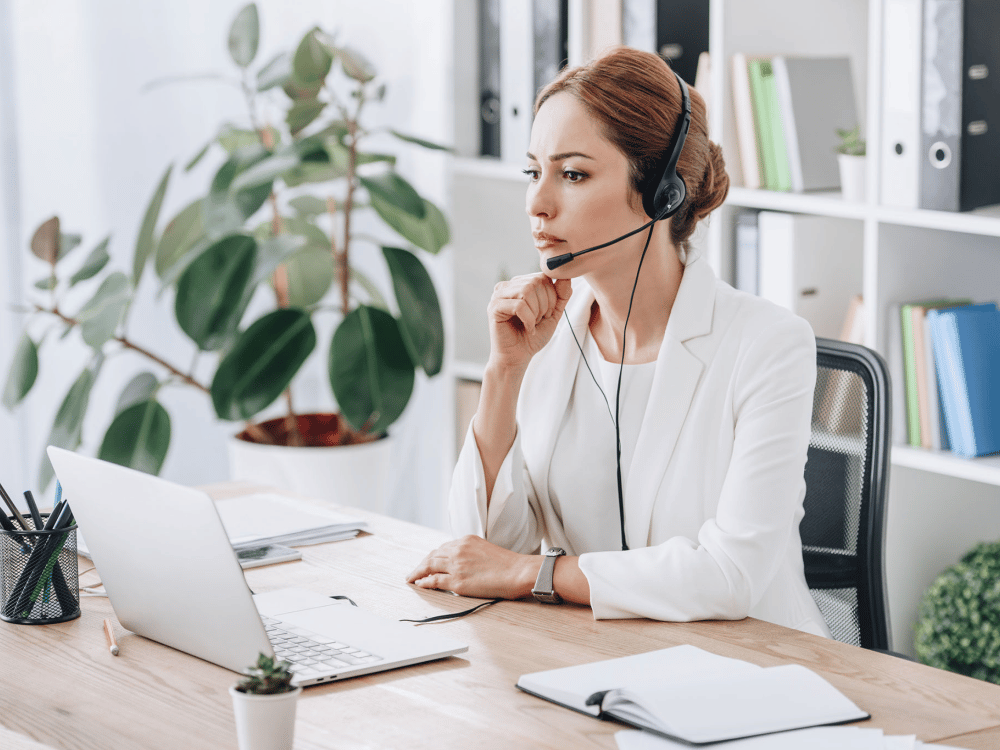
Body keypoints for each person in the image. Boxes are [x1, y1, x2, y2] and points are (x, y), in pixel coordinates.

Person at [407, 46, 830, 637]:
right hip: (595, 660)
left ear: (661, 191)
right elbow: (482, 551)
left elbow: (730, 574)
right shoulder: (550, 338)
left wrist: (534, 574)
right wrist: (504, 372)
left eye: (573, 174)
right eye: (535, 171)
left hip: (748, 674)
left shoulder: (768, 345)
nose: (537, 203)